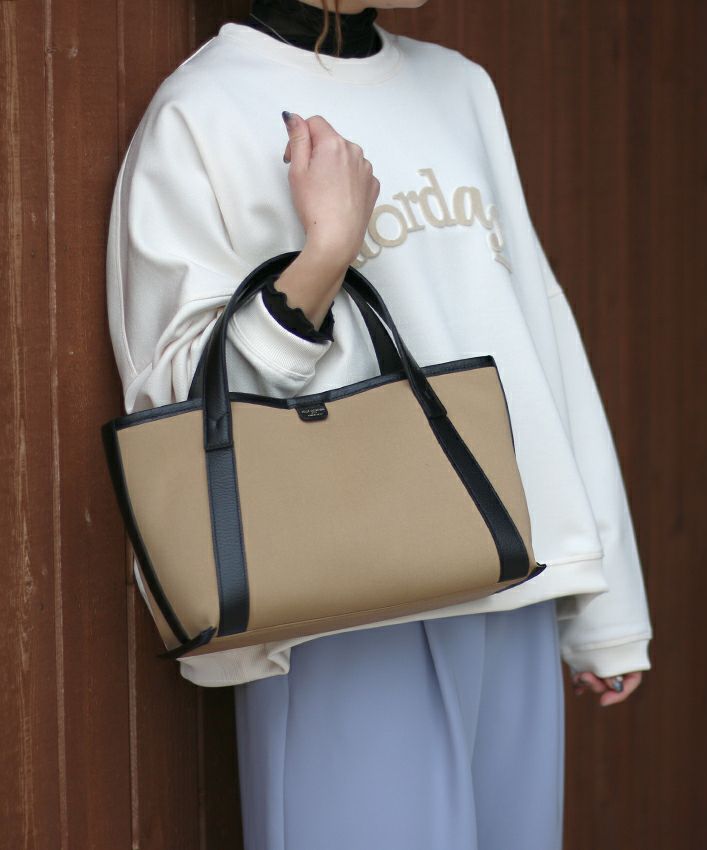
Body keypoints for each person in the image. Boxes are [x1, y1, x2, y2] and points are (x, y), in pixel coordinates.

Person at [104, 0, 654, 847]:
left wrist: (607, 603)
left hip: (512, 569)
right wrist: (326, 254)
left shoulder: (460, 86)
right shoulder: (202, 110)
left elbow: (537, 324)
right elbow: (179, 396)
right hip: (343, 606)